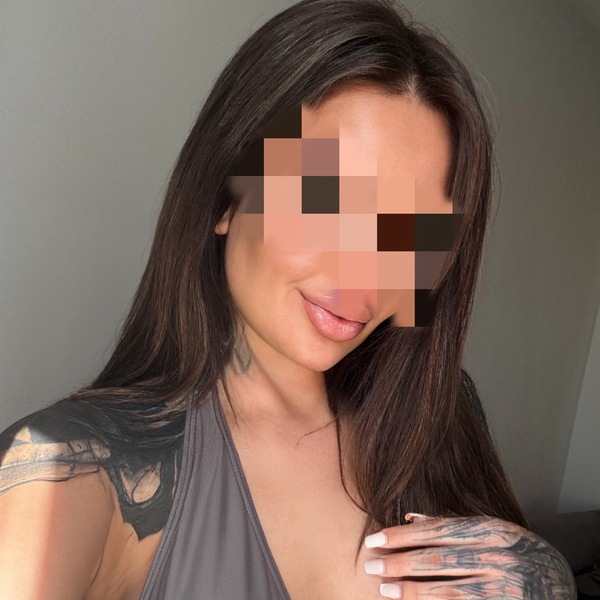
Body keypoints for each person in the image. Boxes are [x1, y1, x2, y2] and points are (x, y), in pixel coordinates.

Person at [0, 0, 577, 598]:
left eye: (411, 233)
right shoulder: (71, 470)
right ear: (226, 196)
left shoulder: (443, 414)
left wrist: (549, 580)